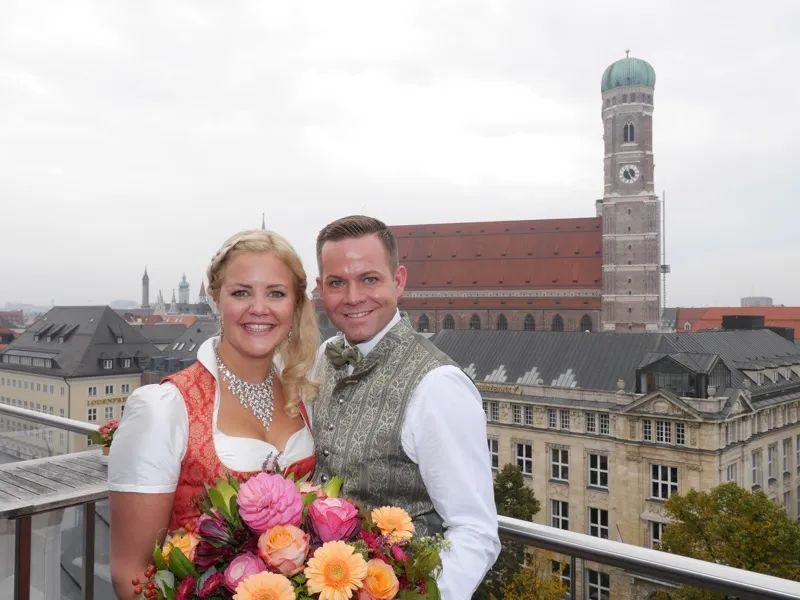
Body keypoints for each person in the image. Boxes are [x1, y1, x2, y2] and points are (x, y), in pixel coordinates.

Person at [108, 229, 319, 598]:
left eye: (276, 293)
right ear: (215, 300)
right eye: (241, 292)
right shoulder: (164, 408)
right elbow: (130, 571)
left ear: (296, 305)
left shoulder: (303, 393)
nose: (259, 308)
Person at [312, 215, 500, 599]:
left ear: (398, 281)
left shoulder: (437, 386)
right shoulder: (323, 358)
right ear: (320, 290)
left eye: (369, 279)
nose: (352, 297)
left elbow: (475, 532)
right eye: (337, 283)